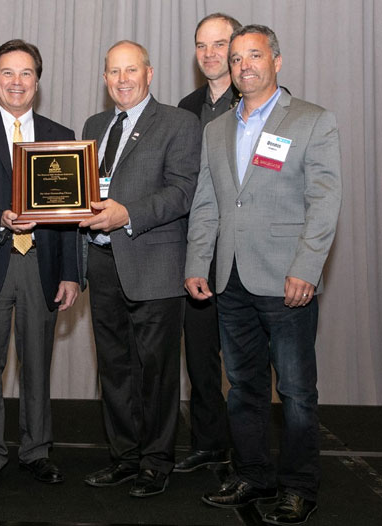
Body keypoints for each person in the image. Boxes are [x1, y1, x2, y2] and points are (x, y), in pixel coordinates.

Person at [185, 25, 341, 525]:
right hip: (230, 280)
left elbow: (324, 203)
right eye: (235, 59)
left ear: (276, 60)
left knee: (295, 393)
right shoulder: (215, 130)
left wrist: (307, 268)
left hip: (288, 280)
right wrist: (197, 263)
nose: (243, 65)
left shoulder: (312, 120)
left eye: (253, 55)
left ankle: (299, 487)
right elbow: (207, 204)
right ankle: (253, 474)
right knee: (243, 387)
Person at [0, 39, 81, 492]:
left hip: (41, 264)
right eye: (7, 73)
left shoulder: (61, 135)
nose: (17, 82)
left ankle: (37, 451)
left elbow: (70, 214)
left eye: (26, 73)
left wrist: (71, 273)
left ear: (37, 82)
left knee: (37, 365)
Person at [79, 40, 201, 498]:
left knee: (157, 372)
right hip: (102, 262)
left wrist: (127, 214)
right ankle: (124, 457)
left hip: (154, 263)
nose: (122, 79)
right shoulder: (94, 126)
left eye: (131, 70)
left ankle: (156, 461)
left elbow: (182, 191)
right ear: (104, 78)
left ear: (149, 74)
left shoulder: (178, 123)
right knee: (114, 368)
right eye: (114, 71)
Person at [174, 12, 242, 474]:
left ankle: (249, 452)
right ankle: (209, 443)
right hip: (197, 249)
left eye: (220, 44)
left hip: (242, 251)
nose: (210, 53)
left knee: (244, 361)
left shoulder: (258, 99)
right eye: (202, 45)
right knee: (199, 357)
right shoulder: (186, 106)